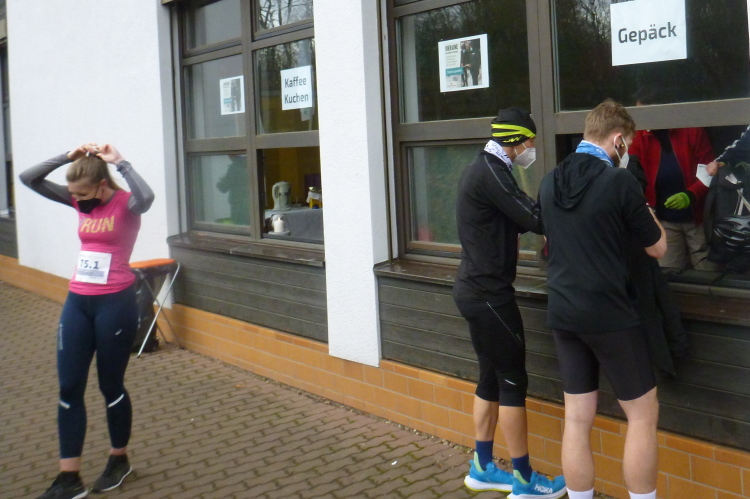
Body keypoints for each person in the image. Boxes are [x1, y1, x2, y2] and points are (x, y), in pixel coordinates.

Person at [539, 100, 667, 499]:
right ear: (617, 140)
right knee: (642, 415)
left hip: (563, 311)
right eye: (628, 144)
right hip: (610, 313)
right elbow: (658, 247)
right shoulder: (619, 182)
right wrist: (645, 208)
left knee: (577, 418)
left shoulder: (549, 181)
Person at [19, 143, 155, 499]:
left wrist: (121, 162)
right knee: (69, 387)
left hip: (116, 303)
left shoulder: (126, 203)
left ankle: (118, 459)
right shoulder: (80, 200)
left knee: (111, 385)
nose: (76, 200)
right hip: (78, 302)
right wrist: (69, 156)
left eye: (82, 193)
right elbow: (28, 178)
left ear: (101, 185)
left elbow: (147, 197)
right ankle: (69, 478)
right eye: (73, 194)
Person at [453, 108, 566, 499]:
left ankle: (482, 467)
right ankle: (524, 479)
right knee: (513, 381)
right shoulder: (492, 173)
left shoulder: (487, 168)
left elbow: (517, 217)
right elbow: (534, 217)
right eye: (530, 141)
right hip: (489, 296)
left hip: (474, 291)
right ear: (516, 139)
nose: (532, 148)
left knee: (490, 377)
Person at [630, 88, 715, 270]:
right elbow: (632, 177)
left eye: (645, 112)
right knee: (668, 273)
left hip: (698, 218)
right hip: (663, 221)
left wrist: (691, 195)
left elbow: (711, 171)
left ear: (663, 109)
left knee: (707, 270)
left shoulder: (691, 130)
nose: (640, 118)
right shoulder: (638, 138)